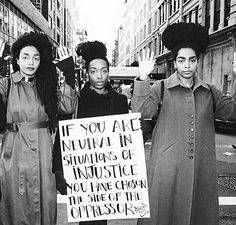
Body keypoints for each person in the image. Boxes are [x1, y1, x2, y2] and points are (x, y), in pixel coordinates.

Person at [131, 22, 236, 225]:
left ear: (197, 62)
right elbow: (140, 111)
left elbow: (233, 111)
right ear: (175, 63)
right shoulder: (160, 88)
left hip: (201, 171)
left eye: (191, 60)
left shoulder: (210, 91)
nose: (186, 65)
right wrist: (143, 78)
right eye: (181, 60)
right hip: (166, 172)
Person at [52, 40, 129, 225]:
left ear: (108, 72)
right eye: (93, 71)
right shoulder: (77, 101)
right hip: (82, 171)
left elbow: (126, 139)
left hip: (108, 171)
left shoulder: (119, 100)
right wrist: (58, 171)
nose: (99, 76)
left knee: (101, 220)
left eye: (103, 70)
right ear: (87, 73)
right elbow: (63, 134)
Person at [0, 31, 58, 225]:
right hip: (14, 151)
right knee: (15, 200)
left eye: (36, 57)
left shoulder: (47, 86)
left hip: (42, 151)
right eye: (25, 57)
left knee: (45, 197)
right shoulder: (6, 84)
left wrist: (68, 76)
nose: (30, 62)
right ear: (17, 59)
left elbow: (68, 105)